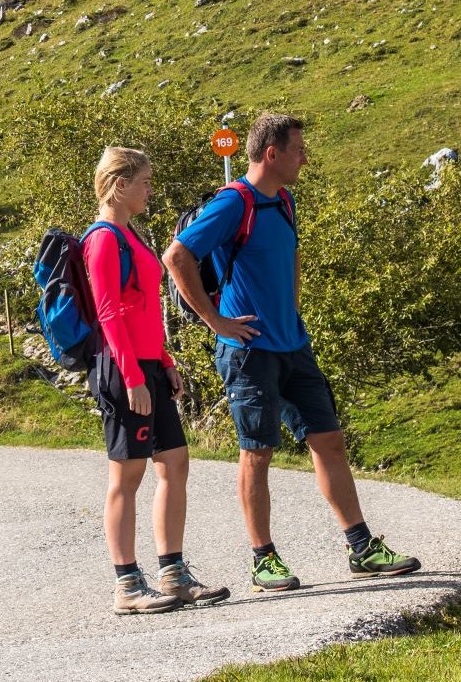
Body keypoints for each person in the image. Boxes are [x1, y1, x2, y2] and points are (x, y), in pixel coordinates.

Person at [162, 113, 420, 593]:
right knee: (257, 452)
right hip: (248, 351)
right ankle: (263, 559)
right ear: (271, 153)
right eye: (299, 149)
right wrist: (216, 322)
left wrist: (291, 309)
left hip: (293, 344)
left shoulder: (284, 200)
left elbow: (291, 257)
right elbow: (176, 256)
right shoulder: (231, 203)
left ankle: (361, 547)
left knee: (330, 441)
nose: (306, 157)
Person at [85, 146, 228, 614]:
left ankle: (173, 574)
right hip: (123, 368)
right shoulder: (104, 238)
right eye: (144, 181)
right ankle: (127, 583)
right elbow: (108, 313)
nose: (150, 189)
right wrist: (132, 375)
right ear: (120, 184)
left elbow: (143, 308)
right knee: (128, 474)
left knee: (174, 463)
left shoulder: (132, 235)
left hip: (148, 364)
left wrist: (164, 361)